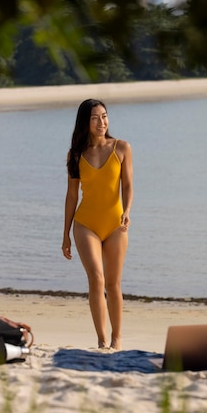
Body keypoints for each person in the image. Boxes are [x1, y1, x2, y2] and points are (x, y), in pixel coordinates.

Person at [62, 98, 134, 350]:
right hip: (85, 224)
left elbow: (127, 185)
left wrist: (127, 211)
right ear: (85, 122)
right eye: (95, 118)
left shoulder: (122, 148)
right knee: (96, 279)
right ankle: (102, 340)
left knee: (113, 283)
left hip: (116, 224)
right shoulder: (76, 155)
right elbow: (72, 196)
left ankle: (117, 337)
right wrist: (65, 235)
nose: (101, 122)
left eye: (104, 116)